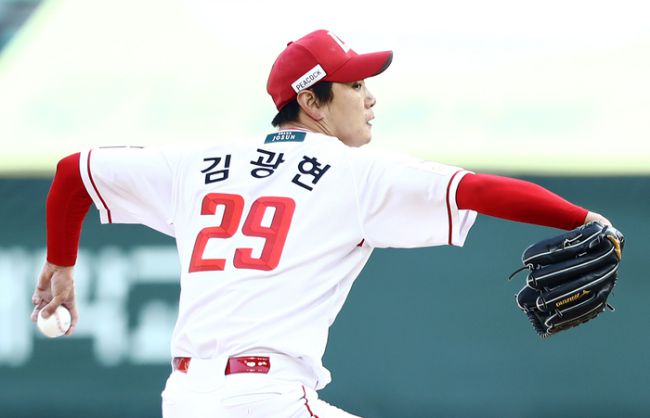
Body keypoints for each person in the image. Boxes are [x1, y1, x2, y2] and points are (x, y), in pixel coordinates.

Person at [31, 29, 613, 418]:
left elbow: (73, 172)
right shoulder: (354, 174)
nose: (370, 97)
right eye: (355, 85)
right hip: (268, 399)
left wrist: (60, 262)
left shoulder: (196, 163)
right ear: (311, 101)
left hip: (185, 398)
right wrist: (584, 217)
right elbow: (478, 190)